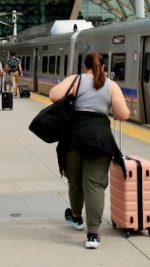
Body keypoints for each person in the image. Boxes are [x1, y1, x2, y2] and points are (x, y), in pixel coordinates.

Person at [49, 52, 130, 250]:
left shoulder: (77, 80)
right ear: (103, 68)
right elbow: (123, 114)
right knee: (94, 185)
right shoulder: (111, 85)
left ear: (85, 67)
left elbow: (53, 96)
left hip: (74, 137)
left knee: (75, 181)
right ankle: (93, 234)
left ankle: (76, 217)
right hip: (100, 138)